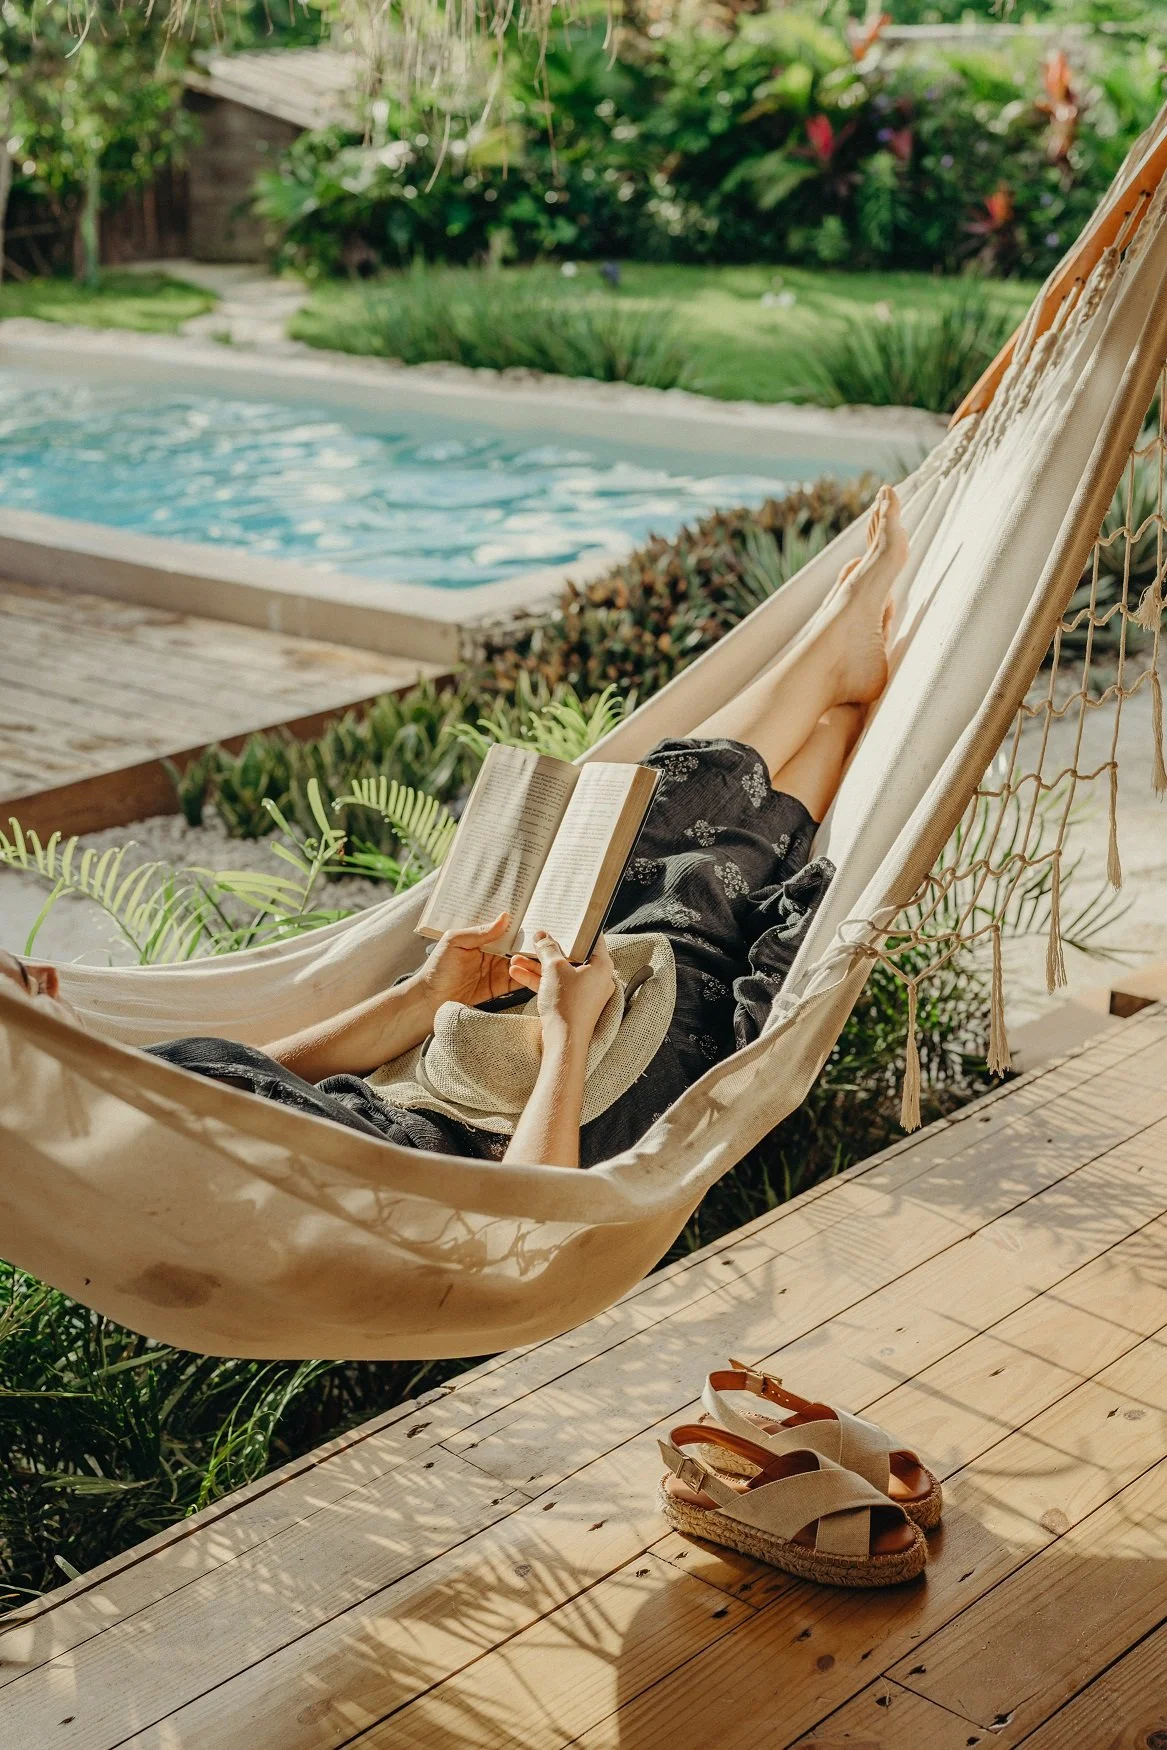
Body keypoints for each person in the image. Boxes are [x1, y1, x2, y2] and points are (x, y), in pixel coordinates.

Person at [1, 487, 908, 1172]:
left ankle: (838, 676)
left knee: (623, 826)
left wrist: (425, 992)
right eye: (17, 995)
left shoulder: (112, 1098)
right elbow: (523, 1216)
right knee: (678, 890)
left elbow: (265, 1079)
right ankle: (842, 669)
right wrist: (563, 1028)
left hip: (472, 1059)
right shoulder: (139, 1178)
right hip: (562, 1111)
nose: (36, 971)